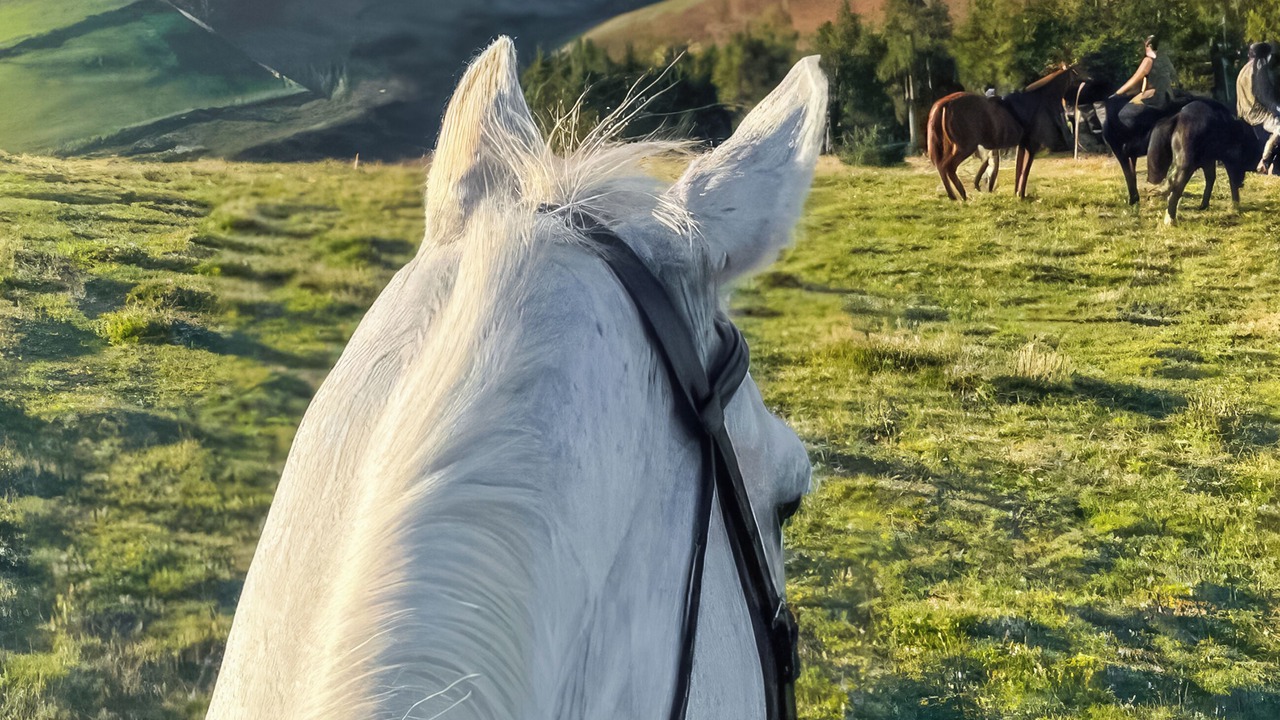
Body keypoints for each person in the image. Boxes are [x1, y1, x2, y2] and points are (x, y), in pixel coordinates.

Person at [1114, 35, 1179, 130]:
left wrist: (1117, 93)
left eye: (1145, 46)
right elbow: (1174, 76)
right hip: (1168, 96)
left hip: (1154, 97)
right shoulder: (1165, 59)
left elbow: (1135, 79)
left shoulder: (1148, 60)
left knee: (1124, 114)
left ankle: (1140, 136)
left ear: (1149, 45)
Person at [1237, 42, 1280, 174]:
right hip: (1257, 113)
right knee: (1279, 129)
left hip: (1243, 110)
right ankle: (1265, 161)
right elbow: (1264, 95)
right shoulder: (1259, 67)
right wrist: (1277, 109)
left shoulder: (1246, 68)